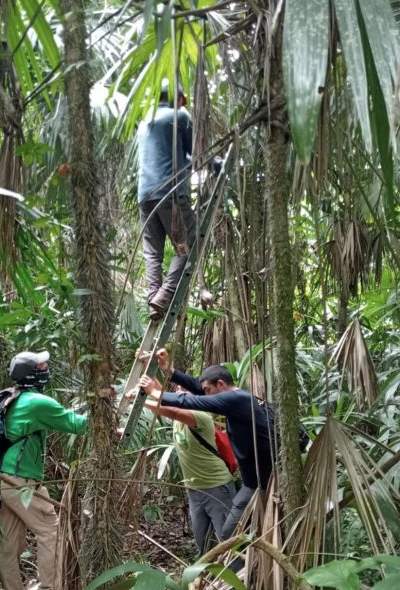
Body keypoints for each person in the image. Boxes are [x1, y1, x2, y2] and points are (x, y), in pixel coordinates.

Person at [139, 350, 274, 543]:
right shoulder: (232, 397)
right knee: (229, 533)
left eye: (207, 390)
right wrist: (168, 369)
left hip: (264, 480)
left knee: (229, 534)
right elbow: (196, 388)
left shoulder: (238, 399)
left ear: (220, 384)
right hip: (251, 481)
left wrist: (153, 392)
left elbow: (189, 401)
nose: (204, 393)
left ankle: (248, 558)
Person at [0, 350, 86, 590]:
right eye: (40, 366)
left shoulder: (10, 397)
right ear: (33, 374)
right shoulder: (37, 402)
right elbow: (77, 424)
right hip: (21, 481)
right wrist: (108, 411)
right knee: (51, 532)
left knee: (9, 544)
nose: (45, 368)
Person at [139, 377, 236, 555]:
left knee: (228, 541)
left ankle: (236, 572)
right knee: (202, 542)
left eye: (184, 390)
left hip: (216, 487)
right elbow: (165, 399)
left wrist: (140, 401)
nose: (178, 392)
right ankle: (208, 572)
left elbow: (173, 411)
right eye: (177, 389)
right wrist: (148, 368)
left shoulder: (200, 416)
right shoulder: (177, 413)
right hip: (194, 490)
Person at [137, 80, 196, 320]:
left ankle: (153, 297)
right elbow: (195, 152)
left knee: (153, 252)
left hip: (145, 195)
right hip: (169, 193)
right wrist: (217, 166)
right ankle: (166, 294)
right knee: (189, 243)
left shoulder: (145, 122)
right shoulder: (180, 116)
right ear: (177, 98)